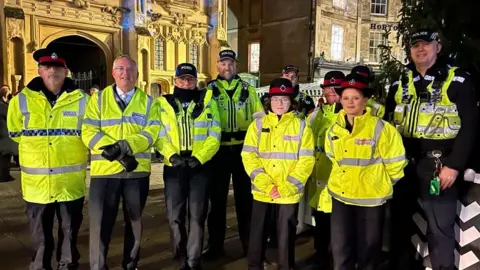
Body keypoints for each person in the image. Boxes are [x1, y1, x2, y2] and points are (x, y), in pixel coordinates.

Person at [386, 29, 478, 270]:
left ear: (438, 47)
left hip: (439, 165)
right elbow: (387, 125)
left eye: (426, 44)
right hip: (403, 164)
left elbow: (470, 127)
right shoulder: (399, 82)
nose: (420, 49)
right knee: (399, 225)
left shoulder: (457, 79)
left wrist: (454, 166)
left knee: (440, 228)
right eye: (415, 45)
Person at [7, 48, 89, 269]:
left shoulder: (83, 100)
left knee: (70, 235)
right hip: (37, 186)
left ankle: (68, 266)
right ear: (39, 70)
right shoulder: (21, 100)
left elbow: (90, 133)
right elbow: (14, 132)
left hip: (70, 184)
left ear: (66, 71)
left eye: (58, 67)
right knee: (40, 237)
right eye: (47, 66)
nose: (53, 70)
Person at [82, 54, 161, 270]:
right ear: (113, 72)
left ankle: (130, 265)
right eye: (120, 69)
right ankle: (98, 266)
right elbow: (88, 131)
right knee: (100, 224)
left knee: (134, 223)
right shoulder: (97, 100)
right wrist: (116, 153)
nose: (125, 73)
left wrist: (123, 146)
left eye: (130, 69)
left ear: (137, 74)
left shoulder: (149, 103)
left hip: (136, 174)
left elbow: (152, 133)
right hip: (104, 173)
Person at [326, 73, 407, 270]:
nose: (350, 102)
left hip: (371, 201)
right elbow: (333, 159)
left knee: (369, 255)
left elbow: (396, 165)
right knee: (341, 253)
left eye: (355, 97)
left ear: (365, 100)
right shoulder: (333, 130)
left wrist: (378, 184)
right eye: (345, 98)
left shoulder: (383, 129)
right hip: (341, 199)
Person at [241, 78, 315, 270]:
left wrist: (287, 185)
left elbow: (306, 160)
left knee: (286, 235)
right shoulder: (257, 125)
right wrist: (265, 182)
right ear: (269, 101)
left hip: (288, 192)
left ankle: (286, 266)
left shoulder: (301, 127)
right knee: (257, 233)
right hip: (262, 190)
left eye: (284, 99)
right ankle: (254, 266)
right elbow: (249, 156)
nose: (279, 103)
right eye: (275, 99)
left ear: (291, 101)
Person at [155, 63, 221, 270]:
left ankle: (194, 260)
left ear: (195, 81)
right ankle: (180, 254)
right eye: (182, 78)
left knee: (197, 215)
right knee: (175, 215)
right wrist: (171, 155)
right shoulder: (162, 103)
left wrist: (200, 157)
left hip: (199, 166)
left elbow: (214, 133)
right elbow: (158, 133)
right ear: (175, 80)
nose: (186, 82)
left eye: (190, 79)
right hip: (174, 166)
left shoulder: (208, 101)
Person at [204, 49, 264, 258]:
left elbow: (260, 120)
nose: (227, 67)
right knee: (217, 202)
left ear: (236, 65)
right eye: (223, 63)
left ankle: (250, 246)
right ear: (217, 66)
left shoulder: (249, 89)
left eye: (230, 63)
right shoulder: (209, 90)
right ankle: (215, 247)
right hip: (218, 152)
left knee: (246, 201)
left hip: (242, 151)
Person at [305, 70, 345, 268]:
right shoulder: (317, 114)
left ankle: (335, 259)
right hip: (317, 180)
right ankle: (320, 254)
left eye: (333, 89)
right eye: (327, 88)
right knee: (320, 222)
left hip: (338, 182)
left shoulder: (347, 115)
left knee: (338, 227)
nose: (330, 92)